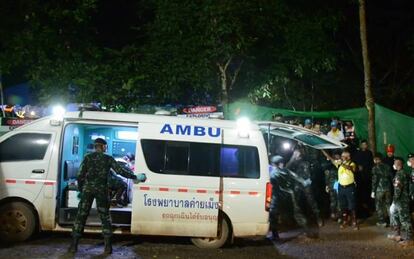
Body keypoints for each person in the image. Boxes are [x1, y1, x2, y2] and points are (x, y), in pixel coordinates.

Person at [68, 138, 146, 254]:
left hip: (88, 191)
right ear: (104, 147)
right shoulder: (108, 158)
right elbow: (120, 171)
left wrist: (81, 189)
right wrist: (135, 177)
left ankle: (74, 246)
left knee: (81, 217)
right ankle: (108, 247)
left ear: (95, 146)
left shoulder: (87, 158)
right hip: (102, 191)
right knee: (105, 218)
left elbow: (80, 175)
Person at [322, 150, 358, 230]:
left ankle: (354, 222)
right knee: (343, 206)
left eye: (344, 156)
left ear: (348, 157)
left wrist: (342, 163)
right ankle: (345, 221)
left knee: (352, 206)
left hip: (350, 187)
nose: (342, 158)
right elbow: (330, 158)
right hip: (341, 188)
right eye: (342, 156)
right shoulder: (339, 164)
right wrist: (322, 149)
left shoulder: (352, 164)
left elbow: (351, 169)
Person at [287, 148, 324, 227]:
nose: (298, 153)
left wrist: (310, 179)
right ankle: (298, 221)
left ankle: (318, 218)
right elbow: (287, 169)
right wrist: (293, 157)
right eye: (296, 152)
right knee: (296, 203)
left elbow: (313, 170)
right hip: (298, 184)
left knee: (311, 202)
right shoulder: (293, 161)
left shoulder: (306, 159)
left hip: (307, 183)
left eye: (299, 152)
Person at [387, 158, 413, 246]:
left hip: (402, 200)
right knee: (395, 215)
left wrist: (394, 200)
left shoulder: (400, 174)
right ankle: (397, 235)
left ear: (399, 164)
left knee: (405, 219)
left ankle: (410, 239)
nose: (393, 164)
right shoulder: (402, 173)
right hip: (400, 200)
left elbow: (398, 189)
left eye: (395, 163)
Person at [371, 153, 393, 227]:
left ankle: (382, 221)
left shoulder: (375, 168)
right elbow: (391, 177)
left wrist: (373, 191)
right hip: (388, 189)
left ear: (378, 159)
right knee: (388, 204)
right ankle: (392, 221)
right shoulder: (387, 166)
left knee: (378, 205)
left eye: (375, 159)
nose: (374, 160)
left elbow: (374, 180)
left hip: (379, 189)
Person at [353, 140, 374, 217]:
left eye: (365, 144)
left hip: (367, 177)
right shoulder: (357, 153)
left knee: (367, 193)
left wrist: (364, 167)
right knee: (360, 194)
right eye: (363, 144)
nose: (364, 146)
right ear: (361, 145)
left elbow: (371, 163)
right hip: (359, 177)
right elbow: (354, 163)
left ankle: (369, 210)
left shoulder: (369, 153)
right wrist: (358, 167)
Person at [268, 155, 284, 241]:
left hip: (275, 197)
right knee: (275, 216)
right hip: (278, 196)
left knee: (273, 216)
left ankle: (275, 235)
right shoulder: (280, 172)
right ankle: (275, 233)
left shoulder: (274, 173)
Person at [324, 151, 341, 220]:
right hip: (332, 185)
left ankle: (339, 215)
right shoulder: (329, 166)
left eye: (338, 156)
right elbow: (327, 176)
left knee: (339, 201)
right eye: (336, 156)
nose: (337, 158)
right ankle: (333, 214)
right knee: (333, 200)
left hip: (339, 185)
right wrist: (327, 185)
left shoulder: (340, 165)